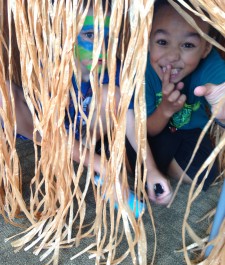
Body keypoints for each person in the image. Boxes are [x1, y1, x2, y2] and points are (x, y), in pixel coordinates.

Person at [0, 0, 173, 215]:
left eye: (108, 37)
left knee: (113, 93)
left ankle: (86, 155)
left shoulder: (114, 68)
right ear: (66, 33)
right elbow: (51, 131)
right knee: (4, 92)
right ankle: (88, 160)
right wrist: (102, 164)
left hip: (83, 135)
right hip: (44, 134)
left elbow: (131, 122)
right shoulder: (52, 67)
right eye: (90, 35)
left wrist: (151, 170)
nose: (102, 47)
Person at [145, 0, 225, 191]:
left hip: (189, 133)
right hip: (151, 131)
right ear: (147, 40)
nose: (173, 56)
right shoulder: (143, 70)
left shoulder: (210, 63)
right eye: (162, 42)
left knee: (205, 176)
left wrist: (222, 114)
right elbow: (145, 130)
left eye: (188, 45)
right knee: (135, 145)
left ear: (206, 48)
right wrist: (165, 109)